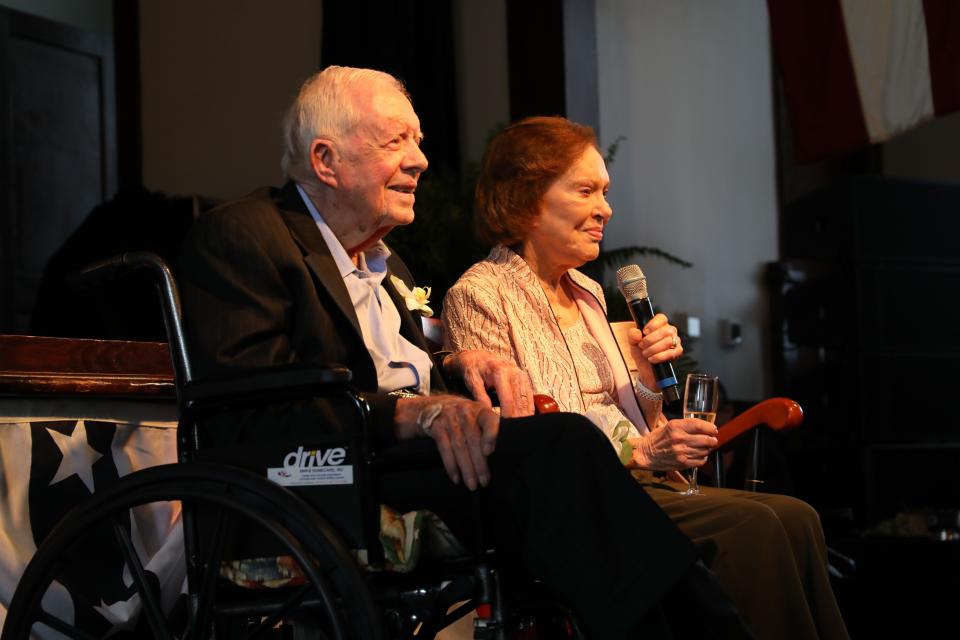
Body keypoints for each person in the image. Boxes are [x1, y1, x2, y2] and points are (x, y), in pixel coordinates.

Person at [177, 66, 751, 639]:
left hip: (423, 467)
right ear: (326, 161)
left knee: (571, 459)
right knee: (566, 444)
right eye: (395, 140)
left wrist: (456, 366)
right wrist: (407, 412)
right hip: (331, 479)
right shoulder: (246, 235)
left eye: (419, 142)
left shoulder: (388, 264)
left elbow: (411, 372)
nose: (421, 160)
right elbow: (247, 409)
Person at [442, 116, 849, 640]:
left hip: (637, 480)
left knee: (797, 517)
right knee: (760, 527)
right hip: (580, 503)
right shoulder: (480, 293)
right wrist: (640, 452)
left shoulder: (588, 292)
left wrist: (647, 378)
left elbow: (636, 423)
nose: (605, 209)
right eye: (586, 190)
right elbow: (522, 438)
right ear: (526, 198)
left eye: (606, 192)